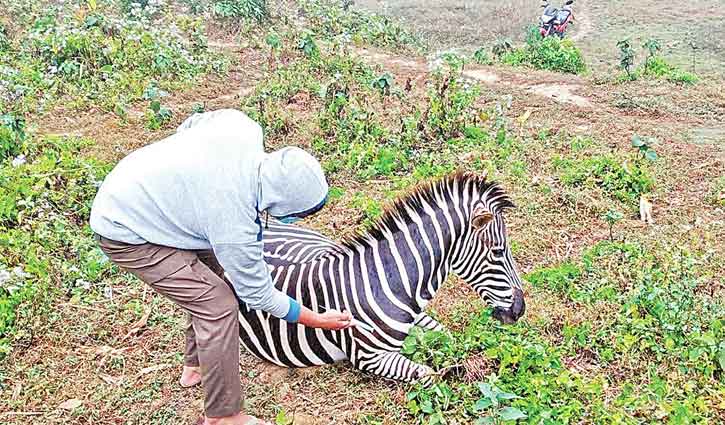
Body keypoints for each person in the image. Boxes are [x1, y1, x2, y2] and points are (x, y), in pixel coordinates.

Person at [90, 109, 353, 425]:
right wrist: (318, 320)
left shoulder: (242, 129)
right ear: (279, 205)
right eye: (295, 216)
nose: (294, 223)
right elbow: (259, 295)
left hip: (137, 185)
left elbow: (192, 123)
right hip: (125, 230)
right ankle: (224, 416)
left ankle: (196, 366)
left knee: (211, 273)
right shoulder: (233, 223)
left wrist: (185, 181)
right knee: (217, 303)